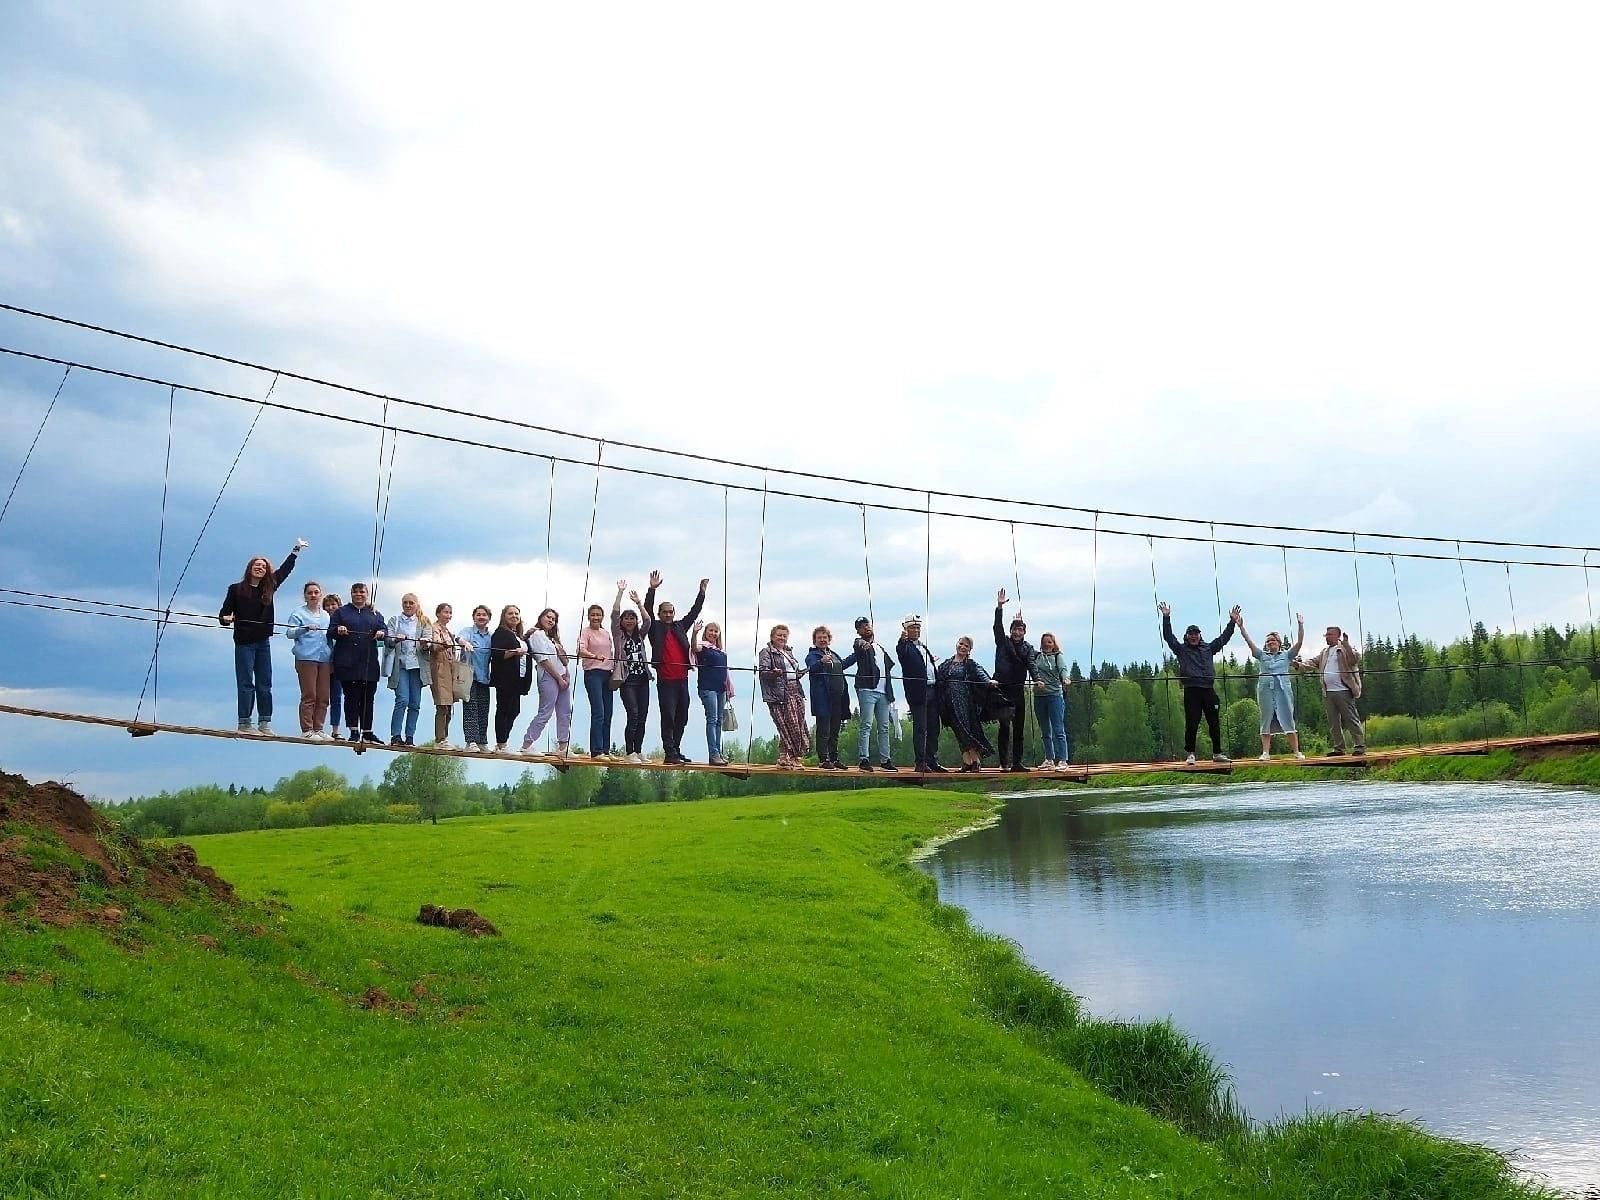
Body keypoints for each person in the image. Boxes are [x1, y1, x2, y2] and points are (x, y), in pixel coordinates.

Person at [218, 539, 305, 735]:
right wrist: (226, 619)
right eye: (257, 565)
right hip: (243, 642)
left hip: (263, 642)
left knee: (265, 683)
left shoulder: (270, 587)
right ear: (250, 568)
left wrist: (296, 550)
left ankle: (264, 722)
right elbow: (223, 614)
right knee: (246, 683)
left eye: (263, 566)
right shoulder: (235, 589)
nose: (260, 568)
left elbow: (285, 570)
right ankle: (244, 723)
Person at [1159, 601, 1241, 766]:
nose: (1194, 636)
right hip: (1192, 691)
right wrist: (1166, 617)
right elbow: (1168, 637)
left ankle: (1217, 753)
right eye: (1191, 634)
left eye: (1196, 634)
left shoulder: (1208, 648)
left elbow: (1223, 639)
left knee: (1214, 723)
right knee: (1192, 723)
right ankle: (1190, 754)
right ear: (1187, 636)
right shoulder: (1181, 649)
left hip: (1208, 690)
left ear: (1200, 635)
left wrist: (1232, 622)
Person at [643, 571, 708, 764]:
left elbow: (694, 612)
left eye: (671, 612)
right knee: (668, 716)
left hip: (682, 680)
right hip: (666, 681)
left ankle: (676, 750)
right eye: (665, 612)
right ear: (659, 614)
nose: (668, 615)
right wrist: (651, 590)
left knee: (682, 717)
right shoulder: (654, 628)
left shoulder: (680, 626)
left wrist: (701, 592)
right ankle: (669, 752)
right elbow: (646, 609)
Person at [1238, 612, 1306, 760]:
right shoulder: (1261, 655)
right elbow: (1249, 641)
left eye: (1273, 640)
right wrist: (1241, 627)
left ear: (1279, 642)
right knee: (1265, 719)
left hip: (1283, 691)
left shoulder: (1287, 655)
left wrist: (1300, 625)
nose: (1270, 643)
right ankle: (1265, 753)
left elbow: (1299, 642)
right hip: (1265, 691)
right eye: (1268, 641)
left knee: (1288, 718)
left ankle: (1296, 752)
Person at [328, 582, 386, 751]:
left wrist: (382, 632)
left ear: (367, 594)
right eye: (356, 592)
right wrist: (338, 628)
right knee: (351, 698)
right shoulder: (341, 612)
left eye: (362, 592)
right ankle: (354, 731)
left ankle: (367, 732)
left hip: (369, 663)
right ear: (351, 594)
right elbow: (330, 631)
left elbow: (384, 629)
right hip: (347, 663)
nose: (359, 594)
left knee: (368, 699)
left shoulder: (374, 613)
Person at [1295, 624, 1366, 756]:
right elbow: (1311, 663)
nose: (1327, 637)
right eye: (1326, 635)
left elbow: (1354, 660)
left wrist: (1347, 645)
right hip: (1328, 692)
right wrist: (1297, 665)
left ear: (1337, 636)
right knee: (1334, 722)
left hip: (1344, 690)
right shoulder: (1324, 652)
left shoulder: (1345, 649)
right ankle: (1339, 748)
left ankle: (1360, 746)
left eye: (1330, 635)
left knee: (1351, 719)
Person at [937, 636, 999, 772]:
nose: (962, 647)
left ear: (970, 650)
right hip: (949, 703)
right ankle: (967, 762)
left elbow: (980, 674)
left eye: (966, 646)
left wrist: (989, 681)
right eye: (961, 644)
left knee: (966, 730)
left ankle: (975, 761)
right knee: (958, 731)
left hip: (965, 702)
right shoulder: (947, 663)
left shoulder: (970, 664)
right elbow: (938, 675)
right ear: (956, 644)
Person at [992, 589, 1036, 771]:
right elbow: (997, 627)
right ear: (1010, 631)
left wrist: (1037, 679)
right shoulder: (1003, 642)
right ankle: (1004, 763)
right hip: (1003, 690)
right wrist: (999, 607)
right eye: (1015, 629)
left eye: (1020, 629)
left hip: (1018, 691)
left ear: (1024, 632)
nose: (1017, 632)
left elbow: (1032, 665)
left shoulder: (1028, 648)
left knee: (1019, 729)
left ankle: (1017, 763)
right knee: (1004, 728)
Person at [520, 607, 573, 757]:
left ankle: (563, 747)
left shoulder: (553, 639)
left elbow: (565, 661)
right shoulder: (536, 635)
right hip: (549, 677)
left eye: (553, 619)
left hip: (563, 676)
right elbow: (543, 659)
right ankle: (527, 744)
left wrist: (566, 676)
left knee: (564, 712)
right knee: (545, 712)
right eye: (548, 617)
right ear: (541, 618)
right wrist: (558, 678)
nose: (551, 620)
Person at [896, 615, 944, 772]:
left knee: (933, 728)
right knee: (921, 728)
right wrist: (902, 640)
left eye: (918, 628)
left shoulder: (923, 647)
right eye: (912, 628)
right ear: (906, 630)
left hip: (932, 690)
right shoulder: (905, 646)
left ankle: (932, 760)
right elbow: (901, 652)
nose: (916, 630)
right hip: (918, 692)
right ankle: (920, 762)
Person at [611, 582, 653, 763]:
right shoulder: (618, 635)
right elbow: (613, 614)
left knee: (643, 716)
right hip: (627, 680)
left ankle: (638, 750)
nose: (629, 621)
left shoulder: (639, 636)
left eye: (632, 618)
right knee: (633, 714)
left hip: (643, 678)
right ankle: (630, 753)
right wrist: (620, 592)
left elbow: (649, 621)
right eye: (626, 618)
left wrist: (639, 604)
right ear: (622, 621)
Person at [758, 624, 810, 768]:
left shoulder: (788, 652)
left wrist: (804, 671)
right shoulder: (766, 652)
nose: (782, 638)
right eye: (779, 635)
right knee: (789, 725)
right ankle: (793, 757)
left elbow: (794, 672)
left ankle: (784, 758)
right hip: (780, 692)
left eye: (784, 635)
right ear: (772, 636)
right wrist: (774, 673)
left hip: (796, 691)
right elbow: (763, 672)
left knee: (798, 724)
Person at [285, 579, 332, 739]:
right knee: (309, 694)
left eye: (316, 592)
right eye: (309, 593)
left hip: (324, 658)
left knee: (324, 695)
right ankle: (307, 729)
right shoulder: (299, 613)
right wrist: (303, 629)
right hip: (306, 658)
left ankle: (319, 727)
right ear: (305, 596)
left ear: (320, 595)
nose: (313, 595)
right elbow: (289, 633)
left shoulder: (326, 615)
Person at [850, 617, 898, 772]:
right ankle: (864, 759)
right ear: (858, 631)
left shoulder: (879, 647)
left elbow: (889, 665)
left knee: (884, 727)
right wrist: (862, 643)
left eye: (867, 625)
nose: (866, 628)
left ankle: (886, 760)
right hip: (867, 690)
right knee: (867, 724)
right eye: (862, 626)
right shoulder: (860, 643)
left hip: (884, 692)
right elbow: (858, 645)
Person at [383, 593, 431, 747]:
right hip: (401, 665)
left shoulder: (424, 621)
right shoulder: (395, 620)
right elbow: (388, 640)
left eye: (411, 603)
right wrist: (395, 639)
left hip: (417, 667)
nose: (408, 605)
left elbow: (428, 641)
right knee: (402, 699)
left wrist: (425, 644)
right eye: (405, 603)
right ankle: (395, 736)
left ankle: (409, 737)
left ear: (417, 604)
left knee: (415, 703)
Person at [806, 626, 855, 770]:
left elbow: (843, 665)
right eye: (819, 638)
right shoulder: (813, 655)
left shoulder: (833, 654)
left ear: (829, 639)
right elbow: (811, 667)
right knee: (824, 730)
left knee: (835, 730)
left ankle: (834, 758)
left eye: (824, 637)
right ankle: (823, 759)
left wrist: (857, 655)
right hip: (823, 698)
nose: (822, 640)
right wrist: (821, 662)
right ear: (814, 640)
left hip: (838, 698)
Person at [426, 603, 470, 748]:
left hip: (450, 670)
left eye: (450, 613)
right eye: (446, 612)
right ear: (438, 613)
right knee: (442, 705)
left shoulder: (448, 631)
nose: (448, 615)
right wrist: (445, 644)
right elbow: (435, 646)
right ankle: (439, 739)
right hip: (439, 670)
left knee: (449, 706)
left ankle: (445, 737)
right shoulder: (434, 628)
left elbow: (455, 642)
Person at [489, 605, 531, 753]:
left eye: (516, 613)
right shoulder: (501, 633)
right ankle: (501, 743)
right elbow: (498, 654)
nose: (514, 616)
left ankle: (503, 741)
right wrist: (514, 652)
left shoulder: (518, 635)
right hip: (505, 679)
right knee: (504, 709)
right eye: (510, 614)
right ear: (504, 616)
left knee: (514, 710)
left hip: (518, 680)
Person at [692, 620, 733, 766]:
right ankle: (713, 754)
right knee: (712, 719)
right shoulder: (703, 647)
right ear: (706, 632)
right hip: (708, 687)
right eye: (711, 630)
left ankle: (718, 753)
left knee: (719, 721)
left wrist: (728, 688)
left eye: (716, 631)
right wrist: (695, 632)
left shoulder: (720, 651)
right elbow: (694, 648)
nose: (713, 633)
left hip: (720, 688)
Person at [577, 602, 615, 758]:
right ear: (588, 617)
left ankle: (606, 749)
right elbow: (580, 650)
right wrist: (594, 656)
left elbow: (611, 651)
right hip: (593, 673)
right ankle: (596, 750)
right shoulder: (585, 632)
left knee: (608, 712)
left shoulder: (606, 633)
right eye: (592, 615)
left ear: (602, 617)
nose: (595, 617)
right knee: (598, 711)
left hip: (608, 673)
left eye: (598, 615)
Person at [1031, 631, 1070, 769]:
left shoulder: (1058, 656)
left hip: (1055, 696)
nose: (1046, 644)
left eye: (1049, 642)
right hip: (1039, 697)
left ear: (1054, 644)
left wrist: (1065, 678)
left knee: (1058, 729)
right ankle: (1049, 759)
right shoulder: (1036, 656)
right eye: (1044, 642)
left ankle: (1063, 760)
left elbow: (1063, 669)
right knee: (1045, 731)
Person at [460, 604, 495, 752]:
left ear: (488, 618)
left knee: (483, 709)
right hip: (469, 675)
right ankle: (471, 742)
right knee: (470, 708)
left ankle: (482, 741)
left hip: (484, 677)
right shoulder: (468, 631)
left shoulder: (491, 636)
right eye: (478, 614)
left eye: (484, 615)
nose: (481, 617)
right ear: (474, 617)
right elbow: (460, 638)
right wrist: (465, 643)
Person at [320, 592, 344, 740]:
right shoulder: (322, 621)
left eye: (333, 604)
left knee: (336, 697)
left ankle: (336, 729)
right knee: (321, 697)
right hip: (323, 662)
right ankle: (318, 728)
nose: (330, 607)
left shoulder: (345, 621)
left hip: (339, 664)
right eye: (327, 605)